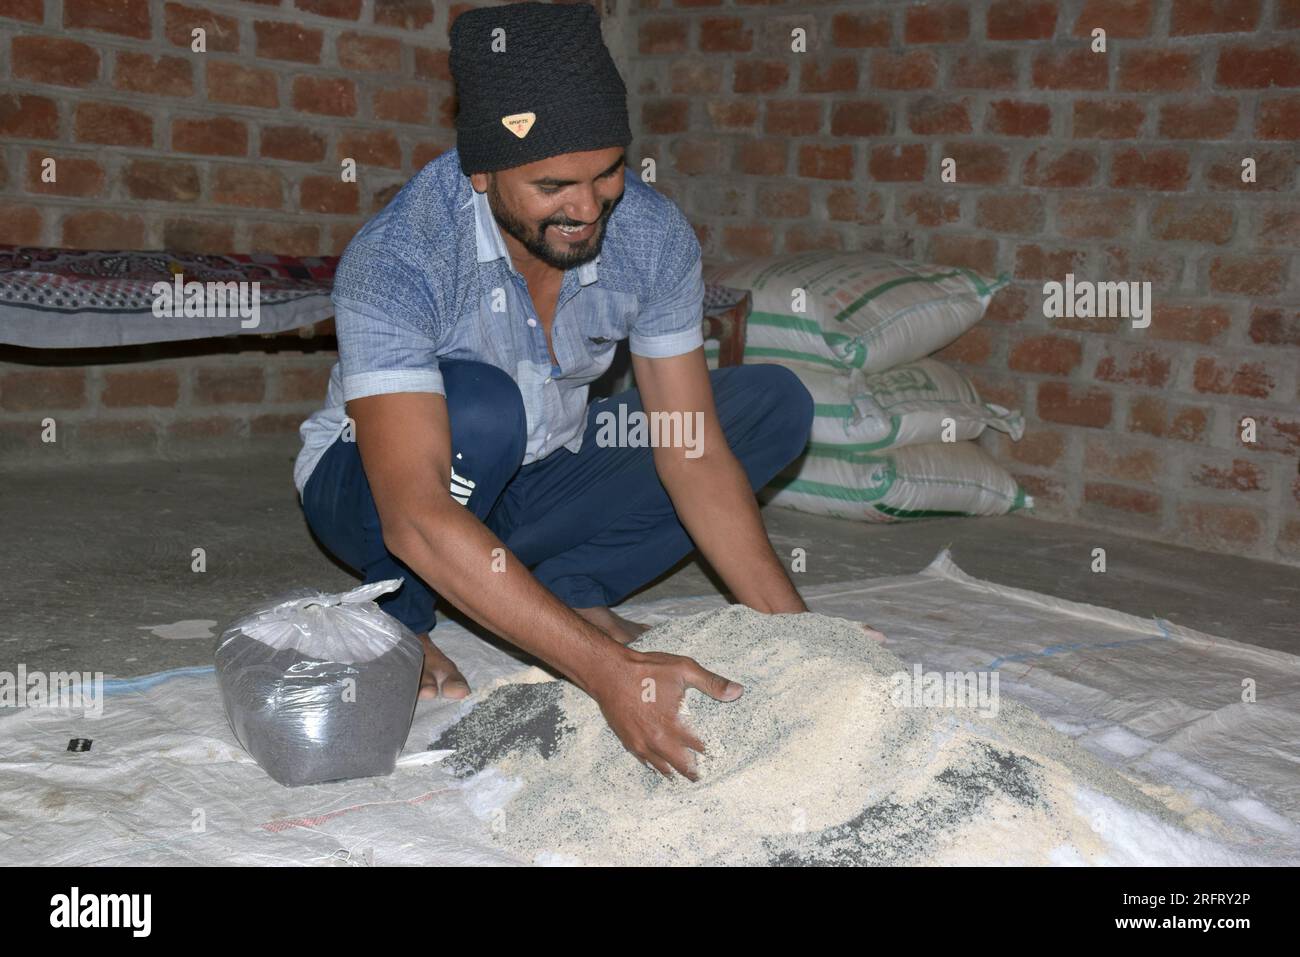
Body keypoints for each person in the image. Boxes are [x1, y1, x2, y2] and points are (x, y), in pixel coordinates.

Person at [294, 1, 879, 780]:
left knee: (768, 404)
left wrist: (808, 647)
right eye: (553, 185)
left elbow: (691, 455)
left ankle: (558, 587)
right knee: (482, 404)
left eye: (607, 171)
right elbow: (415, 512)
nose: (586, 206)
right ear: (480, 171)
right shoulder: (400, 255)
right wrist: (607, 672)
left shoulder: (651, 233)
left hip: (533, 478)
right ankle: (399, 620)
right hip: (383, 494)